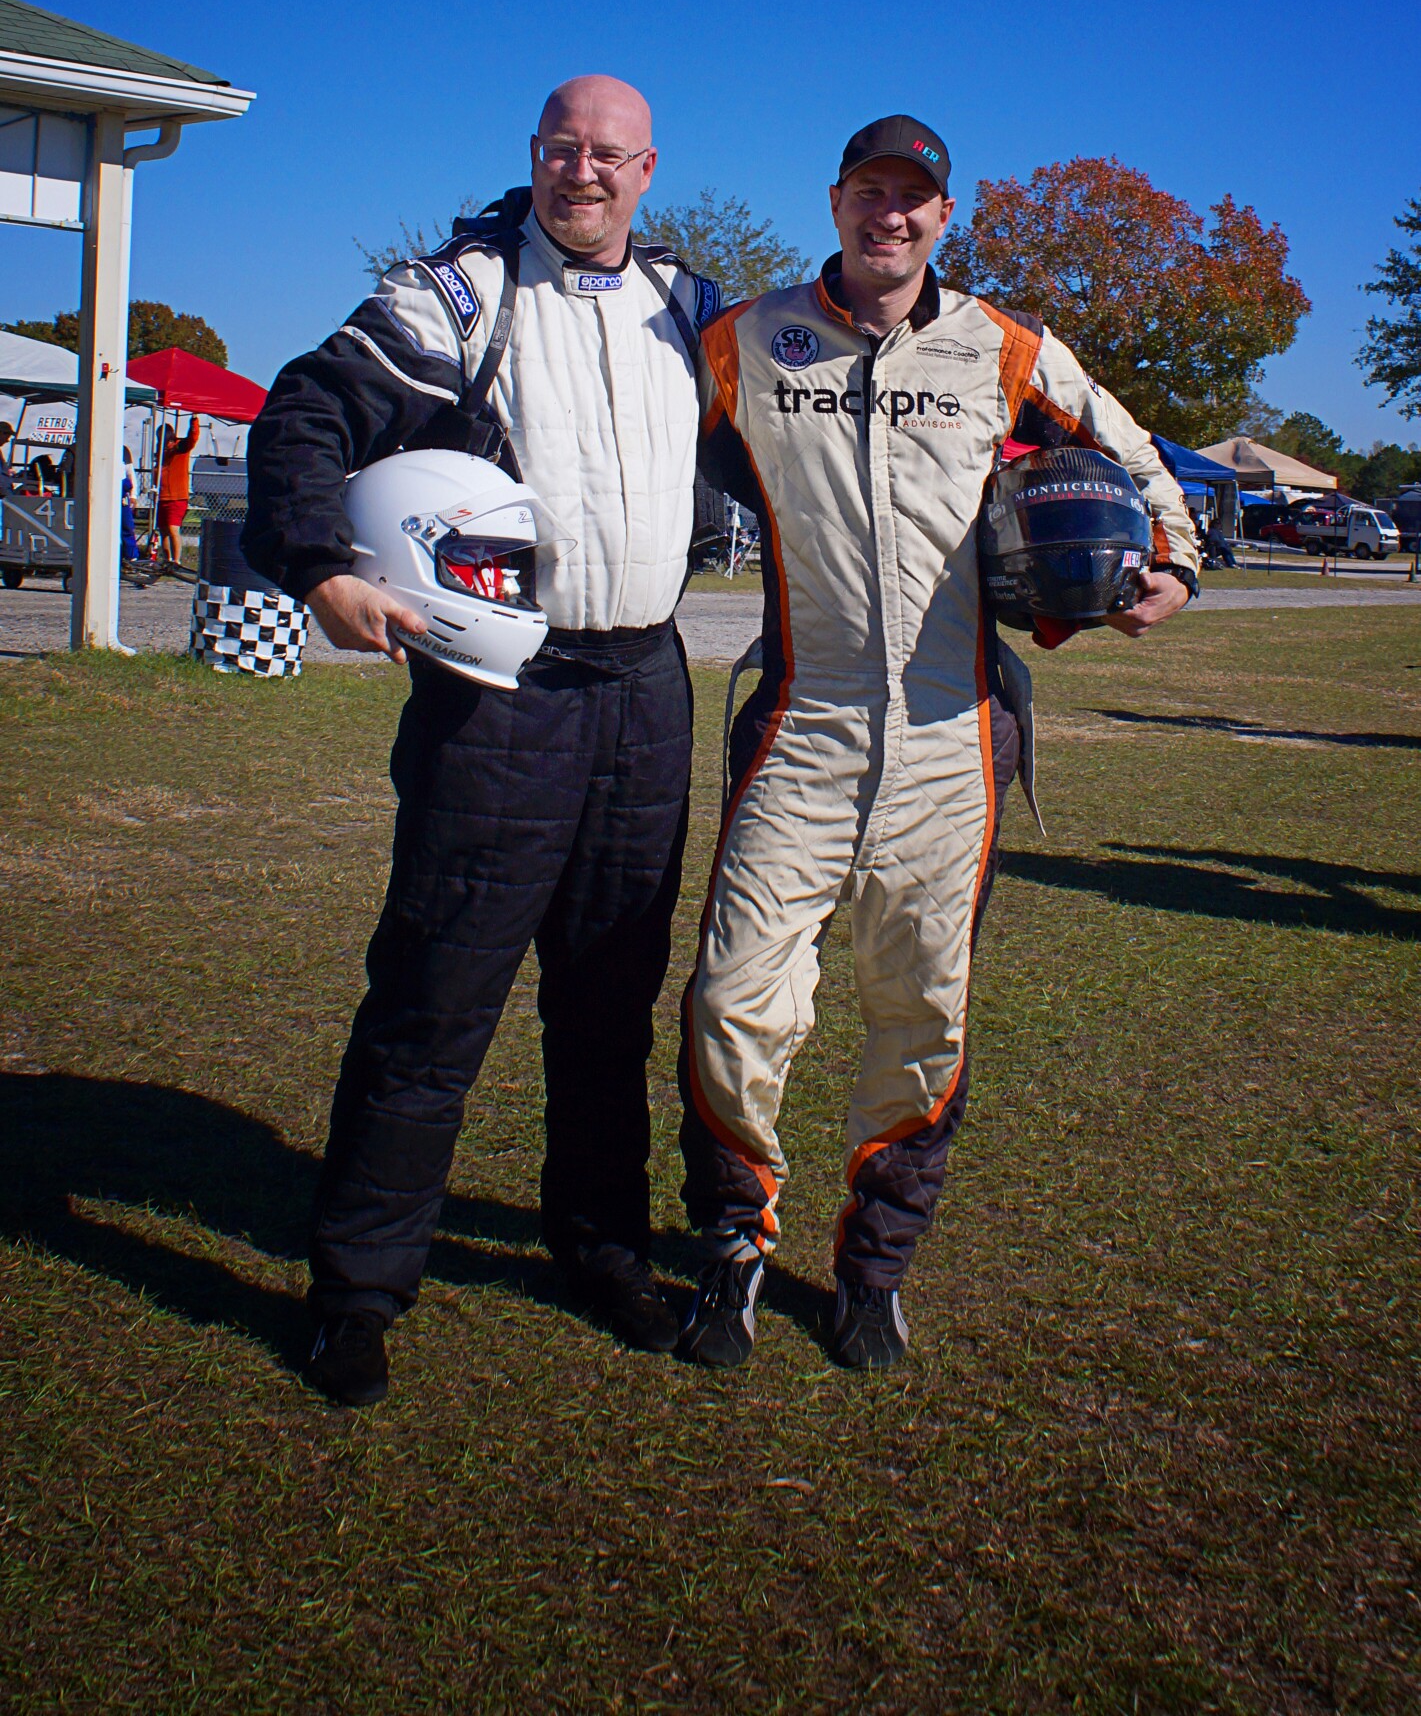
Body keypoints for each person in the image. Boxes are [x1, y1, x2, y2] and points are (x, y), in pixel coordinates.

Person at [677, 114, 1200, 1372]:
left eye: (911, 197)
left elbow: (1131, 450)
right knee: (732, 1000)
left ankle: (873, 1270)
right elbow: (626, 438)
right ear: (835, 201)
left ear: (941, 215)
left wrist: (1173, 561)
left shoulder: (1003, 344)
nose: (889, 214)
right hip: (800, 718)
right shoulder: (745, 340)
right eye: (868, 191)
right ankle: (733, 1245)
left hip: (949, 736)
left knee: (921, 1014)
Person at [245, 75, 720, 1405]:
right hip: (500, 695)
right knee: (435, 996)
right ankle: (357, 1290)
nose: (585, 171)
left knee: (610, 999)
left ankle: (602, 1247)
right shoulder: (456, 295)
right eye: (564, 149)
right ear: (535, 155)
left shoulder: (691, 307)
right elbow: (307, 411)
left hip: (647, 691)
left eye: (610, 154)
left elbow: (801, 449)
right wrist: (320, 564)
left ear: (647, 170)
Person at [157, 416, 201, 566]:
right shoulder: (161, 453)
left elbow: (193, 438)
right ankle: (167, 559)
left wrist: (194, 421)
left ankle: (176, 560)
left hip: (177, 497)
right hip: (163, 496)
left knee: (173, 528)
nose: (165, 443)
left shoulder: (180, 447)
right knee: (163, 530)